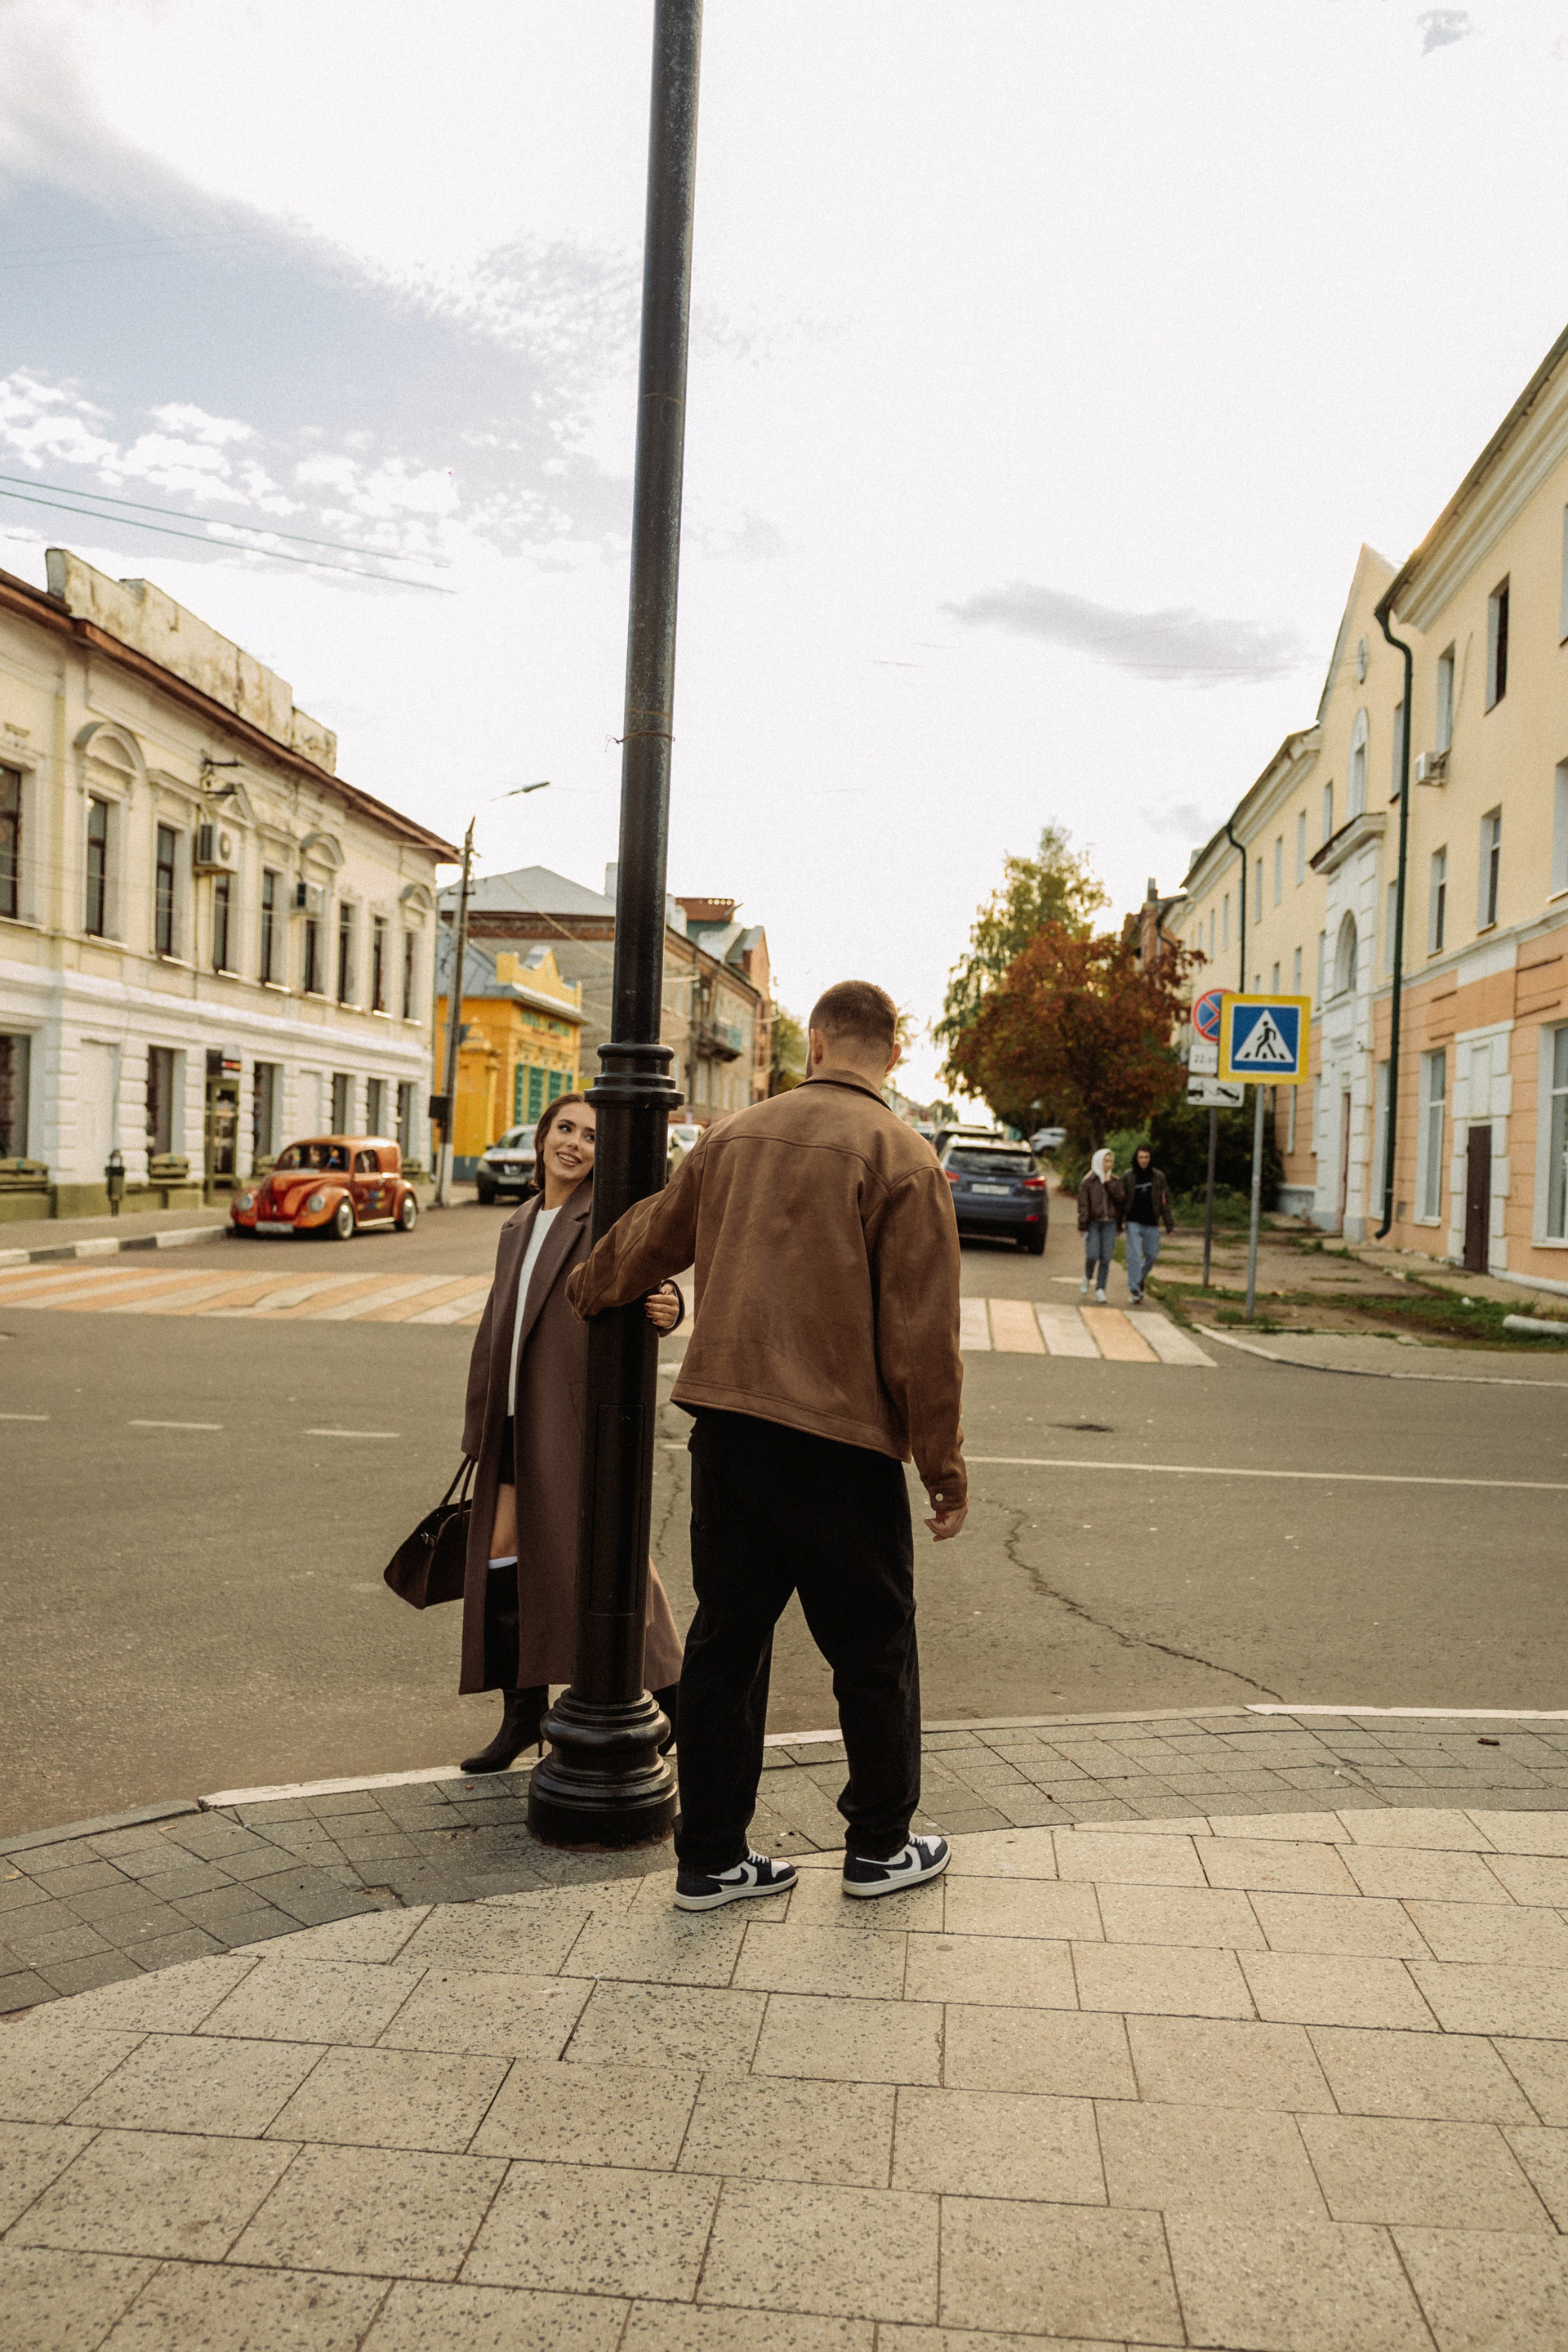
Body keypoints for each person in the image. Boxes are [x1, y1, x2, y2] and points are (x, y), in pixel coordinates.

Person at [566, 978, 967, 1913]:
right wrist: (943, 1469)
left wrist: (590, 1288)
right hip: (841, 1449)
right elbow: (924, 1340)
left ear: (815, 1045)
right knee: (872, 1652)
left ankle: (710, 1860)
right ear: (892, 1054)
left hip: (730, 1433)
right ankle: (878, 1847)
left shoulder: (732, 1137)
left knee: (726, 1647)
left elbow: (651, 1235)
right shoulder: (905, 1159)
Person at [456, 1090, 686, 1773]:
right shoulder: (520, 1221)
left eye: (590, 1136)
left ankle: (674, 1694)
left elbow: (651, 1274)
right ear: (542, 1137)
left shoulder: (600, 1217)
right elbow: (499, 1324)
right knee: (501, 1554)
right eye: (565, 1129)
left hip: (569, 1418)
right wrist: (479, 1419)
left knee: (606, 1558)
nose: (574, 1144)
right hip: (511, 1415)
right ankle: (522, 1714)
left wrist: (670, 1304)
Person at [1121, 1141, 1175, 1305]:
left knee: (1152, 1255)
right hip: (1133, 1221)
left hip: (1152, 1222)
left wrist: (1169, 1225)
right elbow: (1121, 1201)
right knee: (1135, 1256)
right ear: (1136, 1158)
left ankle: (1139, 1279)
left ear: (1150, 1158)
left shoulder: (1158, 1177)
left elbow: (1164, 1202)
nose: (1143, 1160)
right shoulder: (1128, 1176)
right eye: (1140, 1157)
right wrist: (1118, 1223)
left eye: (1146, 1157)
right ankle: (1135, 1290)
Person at [1076, 1147, 1120, 1303]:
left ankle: (1101, 1289)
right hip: (1094, 1223)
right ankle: (1088, 1276)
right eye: (1105, 1161)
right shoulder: (1088, 1181)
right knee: (1092, 1254)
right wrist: (1083, 1225)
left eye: (1110, 1161)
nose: (1108, 1164)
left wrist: (1109, 1184)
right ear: (1098, 1161)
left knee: (1106, 1257)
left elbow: (1121, 1199)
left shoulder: (1114, 1180)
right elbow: (1083, 1205)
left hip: (1110, 1223)